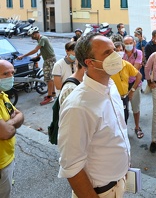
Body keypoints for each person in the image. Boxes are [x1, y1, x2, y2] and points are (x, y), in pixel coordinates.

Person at [58, 33, 131, 198]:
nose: (116, 55)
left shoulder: (111, 86)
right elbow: (71, 166)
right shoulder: (77, 107)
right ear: (90, 63)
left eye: (114, 50)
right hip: (100, 193)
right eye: (107, 53)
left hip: (119, 183)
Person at [0, 60, 24, 198]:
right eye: (5, 74)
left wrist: (10, 122)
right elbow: (5, 132)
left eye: (12, 73)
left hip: (8, 159)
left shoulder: (3, 96)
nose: (10, 77)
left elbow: (20, 116)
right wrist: (12, 123)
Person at [17, 26, 56, 105]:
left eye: (32, 35)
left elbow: (35, 49)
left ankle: (50, 97)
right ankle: (53, 93)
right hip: (48, 59)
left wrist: (23, 56)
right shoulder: (40, 39)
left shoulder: (43, 39)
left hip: (49, 60)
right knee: (50, 78)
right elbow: (44, 49)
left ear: (36, 33)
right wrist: (38, 56)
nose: (31, 37)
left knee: (48, 79)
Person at [111, 41, 142, 124]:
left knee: (125, 118)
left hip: (124, 97)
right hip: (112, 98)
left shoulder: (126, 64)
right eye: (116, 50)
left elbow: (139, 76)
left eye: (121, 50)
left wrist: (132, 90)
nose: (119, 52)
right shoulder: (108, 66)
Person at [123, 35, 144, 138]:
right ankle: (123, 129)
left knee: (136, 108)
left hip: (135, 83)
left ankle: (137, 127)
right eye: (126, 43)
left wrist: (125, 69)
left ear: (134, 43)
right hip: (122, 85)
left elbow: (134, 73)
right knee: (123, 109)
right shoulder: (120, 53)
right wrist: (134, 68)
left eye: (130, 43)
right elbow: (134, 69)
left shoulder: (138, 53)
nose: (128, 45)